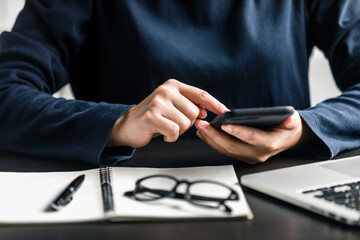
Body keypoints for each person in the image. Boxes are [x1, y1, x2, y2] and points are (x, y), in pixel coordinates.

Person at [0, 0, 359, 166]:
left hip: (284, 192)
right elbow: (6, 90)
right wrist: (118, 123)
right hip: (130, 201)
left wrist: (305, 129)